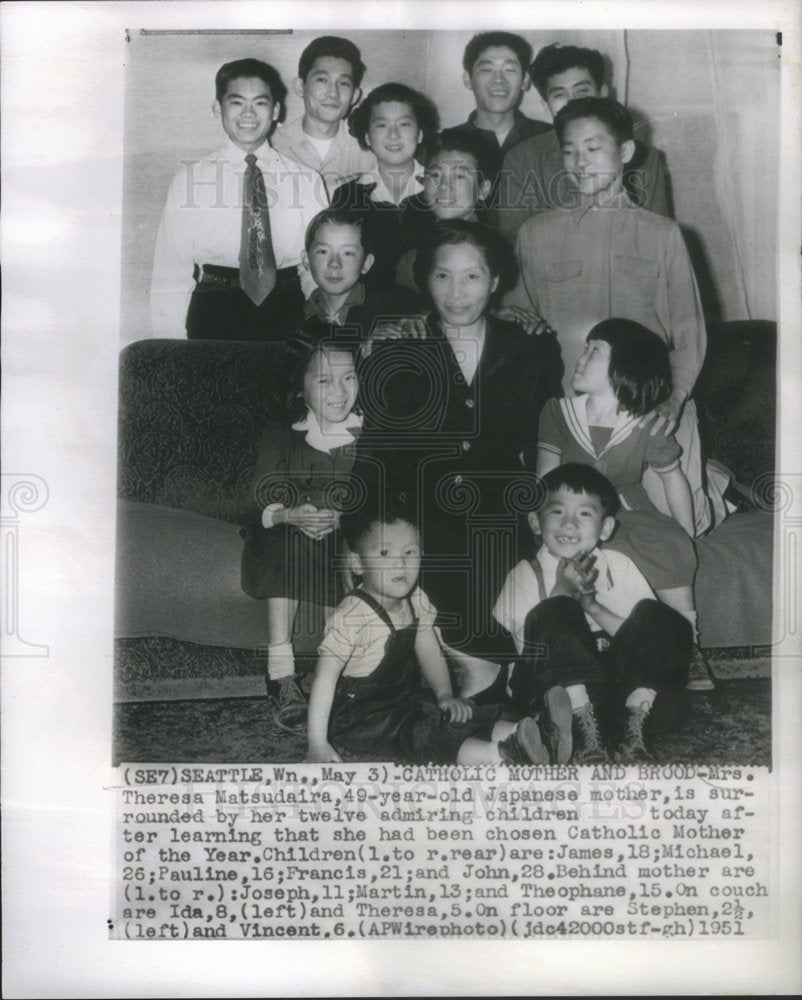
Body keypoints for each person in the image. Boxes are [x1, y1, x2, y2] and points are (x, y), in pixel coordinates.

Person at [354, 219, 563, 697]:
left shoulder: (531, 347)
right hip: (425, 515)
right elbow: (377, 452)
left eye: (472, 276)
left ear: (495, 282)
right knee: (443, 598)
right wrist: (362, 531)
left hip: (504, 511)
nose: (457, 292)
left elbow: (550, 439)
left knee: (511, 601)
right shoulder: (398, 347)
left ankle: (497, 688)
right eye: (443, 276)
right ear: (425, 281)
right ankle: (498, 691)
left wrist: (542, 507)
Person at [505, 96, 715, 537]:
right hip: (574, 421)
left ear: (624, 152)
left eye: (593, 148)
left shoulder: (663, 235)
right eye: (569, 150)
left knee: (684, 533)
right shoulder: (536, 235)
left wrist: (674, 400)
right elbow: (517, 325)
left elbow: (688, 333)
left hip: (651, 411)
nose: (579, 162)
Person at [305, 500, 548, 764]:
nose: (401, 564)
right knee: (424, 734)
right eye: (385, 553)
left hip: (402, 703)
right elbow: (324, 678)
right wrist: (317, 743)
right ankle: (500, 756)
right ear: (357, 563)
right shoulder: (351, 617)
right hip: (360, 723)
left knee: (449, 714)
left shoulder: (416, 599)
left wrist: (444, 694)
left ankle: (530, 735)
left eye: (410, 552)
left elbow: (429, 649)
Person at [493, 464, 692, 765]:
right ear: (535, 522)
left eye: (585, 514)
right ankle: (580, 728)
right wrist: (562, 591)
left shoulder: (618, 565)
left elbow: (645, 640)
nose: (570, 524)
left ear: (607, 527)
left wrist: (592, 606)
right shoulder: (524, 574)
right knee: (551, 611)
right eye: (557, 512)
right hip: (552, 696)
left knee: (665, 619)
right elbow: (531, 654)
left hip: (617, 695)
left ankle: (633, 726)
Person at [240, 328, 362, 731]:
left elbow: (382, 496)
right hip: (286, 528)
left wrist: (346, 521)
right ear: (300, 387)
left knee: (353, 556)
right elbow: (259, 497)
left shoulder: (370, 434)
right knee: (284, 539)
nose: (339, 391)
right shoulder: (282, 431)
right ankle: (281, 673)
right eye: (324, 380)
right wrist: (291, 514)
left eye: (349, 378)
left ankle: (335, 675)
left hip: (345, 535)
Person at [151, 59, 325, 341]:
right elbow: (171, 273)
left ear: (276, 110)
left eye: (260, 103)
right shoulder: (189, 181)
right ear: (217, 108)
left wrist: (322, 328)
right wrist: (170, 350)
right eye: (236, 102)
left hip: (287, 310)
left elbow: (316, 268)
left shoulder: (308, 181)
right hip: (214, 310)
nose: (249, 113)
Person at [496, 43, 671, 244]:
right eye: (560, 94)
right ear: (546, 105)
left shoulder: (643, 157)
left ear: (603, 93)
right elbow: (512, 242)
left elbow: (658, 236)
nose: (572, 103)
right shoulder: (522, 158)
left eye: (581, 91)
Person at [330, 83, 439, 287]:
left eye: (404, 124)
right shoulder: (347, 195)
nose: (393, 135)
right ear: (367, 137)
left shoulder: (442, 189)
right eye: (382, 125)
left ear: (421, 133)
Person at [271, 36, 376, 198]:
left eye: (343, 83)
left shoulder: (371, 149)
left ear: (355, 95)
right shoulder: (272, 146)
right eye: (322, 80)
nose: (333, 93)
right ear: (300, 87)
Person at [394, 129, 498, 292]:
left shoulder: (505, 251)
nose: (443, 186)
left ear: (483, 190)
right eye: (435, 175)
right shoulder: (410, 259)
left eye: (459, 176)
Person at [301, 207, 423, 334]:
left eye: (347, 253)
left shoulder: (393, 306)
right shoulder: (296, 318)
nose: (334, 263)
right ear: (306, 260)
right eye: (323, 251)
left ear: (366, 263)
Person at [450, 32, 550, 157]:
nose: (498, 79)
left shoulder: (551, 138)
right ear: (467, 79)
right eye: (487, 70)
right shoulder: (446, 143)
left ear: (525, 80)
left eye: (510, 70)